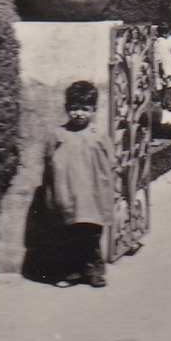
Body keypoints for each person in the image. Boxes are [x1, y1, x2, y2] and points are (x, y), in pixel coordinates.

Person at [41, 80, 114, 288]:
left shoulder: (98, 136)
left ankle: (94, 271)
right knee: (68, 234)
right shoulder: (58, 135)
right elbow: (48, 165)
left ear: (94, 110)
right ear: (66, 109)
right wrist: (50, 193)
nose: (79, 113)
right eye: (74, 109)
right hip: (67, 194)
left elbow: (110, 164)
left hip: (92, 193)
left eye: (85, 109)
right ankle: (71, 271)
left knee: (91, 234)